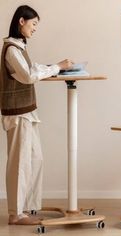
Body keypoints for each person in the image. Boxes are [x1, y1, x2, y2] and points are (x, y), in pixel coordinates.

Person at [0, 5, 74, 225]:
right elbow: (28, 75)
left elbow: (31, 68)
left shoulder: (19, 47)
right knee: (20, 163)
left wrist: (54, 66)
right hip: (18, 114)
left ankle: (27, 208)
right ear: (21, 21)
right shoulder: (11, 49)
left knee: (35, 158)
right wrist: (57, 67)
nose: (35, 29)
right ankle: (16, 214)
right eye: (33, 24)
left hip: (27, 112)